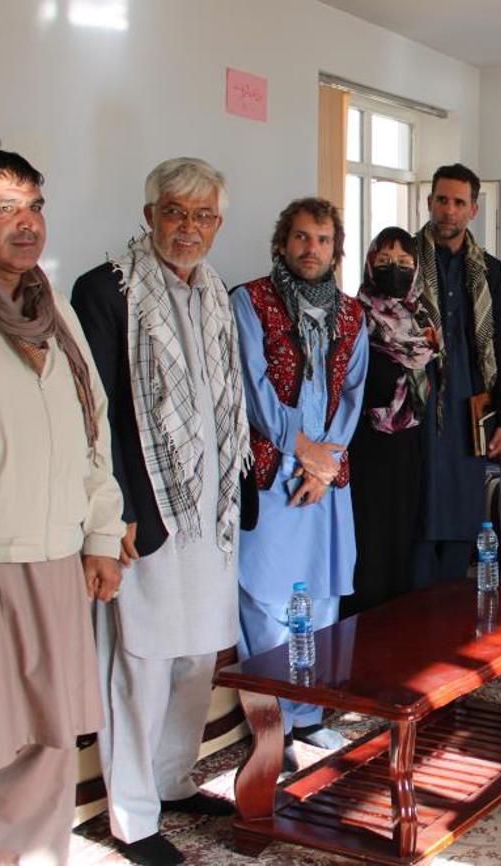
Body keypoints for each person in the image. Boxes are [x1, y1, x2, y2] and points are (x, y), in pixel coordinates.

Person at [71, 157, 248, 864]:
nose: (188, 228)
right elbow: (98, 412)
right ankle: (133, 817)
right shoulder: (106, 289)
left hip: (210, 512)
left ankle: (174, 780)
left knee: (197, 656)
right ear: (149, 216)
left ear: (218, 224)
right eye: (175, 212)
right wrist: (115, 509)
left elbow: (225, 398)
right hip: (143, 512)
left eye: (203, 216)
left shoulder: (214, 290)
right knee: (140, 662)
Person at [0, 147, 124, 865]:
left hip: (56, 559)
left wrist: (100, 533)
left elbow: (94, 430)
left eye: (34, 207)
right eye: (5, 210)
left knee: (49, 744)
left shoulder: (52, 310)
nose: (27, 224)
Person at [232, 197, 368, 757]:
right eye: (301, 237)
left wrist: (326, 463)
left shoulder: (352, 314)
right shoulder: (250, 301)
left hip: (325, 480)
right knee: (266, 604)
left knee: (321, 601)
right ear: (282, 243)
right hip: (273, 474)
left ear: (336, 250)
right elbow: (252, 387)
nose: (311, 248)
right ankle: (275, 727)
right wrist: (304, 451)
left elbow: (353, 394)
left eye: (322, 239)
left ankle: (309, 717)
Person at [411, 164, 501, 586]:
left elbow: (500, 344)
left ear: (473, 209)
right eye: (442, 200)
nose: (448, 210)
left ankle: (450, 611)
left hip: (470, 405)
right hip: (417, 405)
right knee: (419, 514)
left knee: (461, 513)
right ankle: (414, 614)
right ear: (429, 202)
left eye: (458, 202)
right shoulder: (406, 258)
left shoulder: (488, 268)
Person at [344, 227, 436, 615]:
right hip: (364, 447)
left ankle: (394, 627)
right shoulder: (352, 316)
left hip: (408, 447)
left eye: (403, 262)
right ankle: (359, 629)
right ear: (369, 265)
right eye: (383, 261)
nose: (393, 270)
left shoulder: (422, 320)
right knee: (368, 542)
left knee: (401, 538)